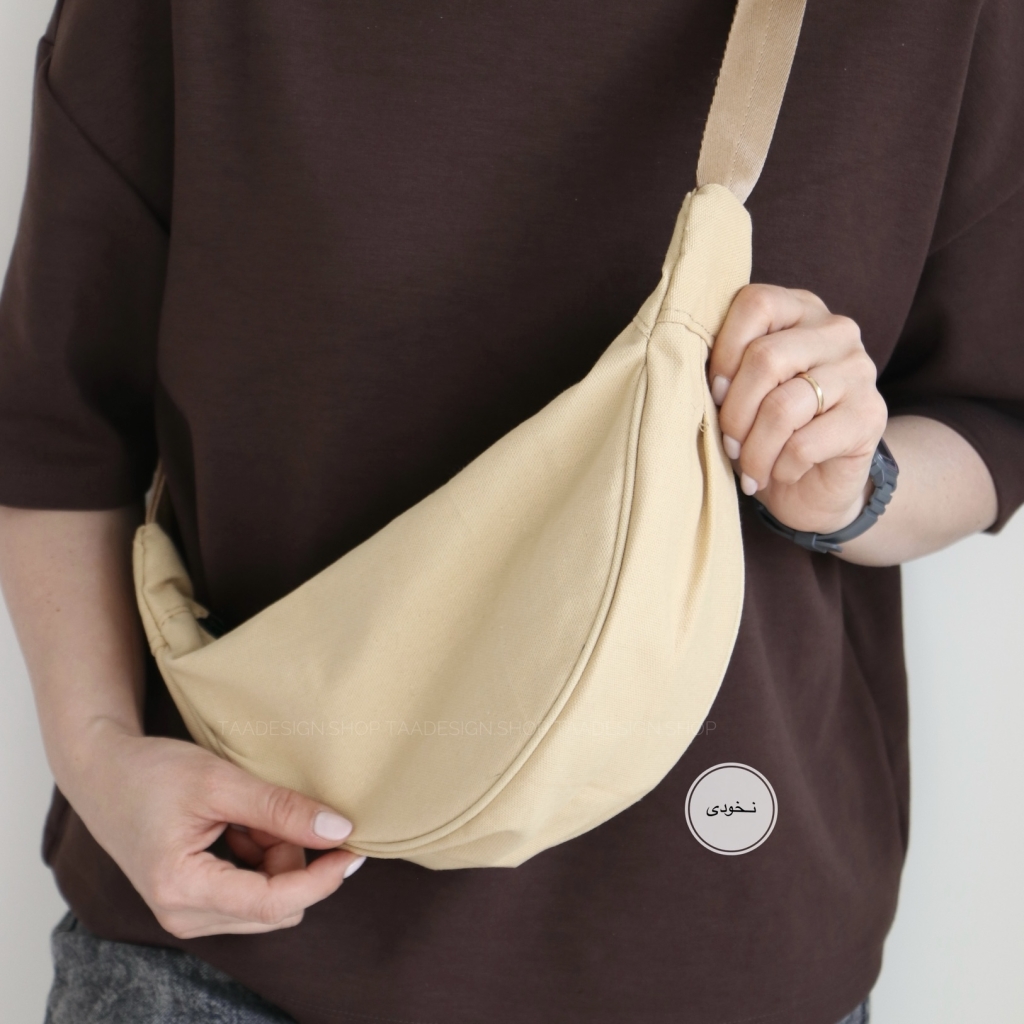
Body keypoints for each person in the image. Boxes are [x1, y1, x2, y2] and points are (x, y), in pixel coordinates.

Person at [0, 1, 1021, 1022]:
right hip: (227, 944)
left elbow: (989, 415)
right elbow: (57, 421)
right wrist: (99, 756)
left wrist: (853, 483)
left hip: (722, 952)